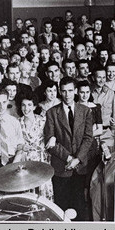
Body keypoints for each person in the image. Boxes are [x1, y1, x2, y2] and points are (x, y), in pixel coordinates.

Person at [44, 77, 93, 221]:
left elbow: (88, 138)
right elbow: (50, 141)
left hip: (80, 168)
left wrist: (77, 159)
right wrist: (69, 158)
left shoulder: (86, 111)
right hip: (61, 168)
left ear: (76, 91)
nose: (67, 94)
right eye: (64, 91)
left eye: (70, 91)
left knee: (79, 206)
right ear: (60, 91)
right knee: (61, 208)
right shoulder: (52, 113)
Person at [17, 91, 54, 201]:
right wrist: (21, 147)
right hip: (25, 161)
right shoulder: (17, 122)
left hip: (41, 161)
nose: (26, 108)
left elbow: (53, 134)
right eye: (23, 105)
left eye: (29, 105)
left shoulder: (43, 120)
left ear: (34, 106)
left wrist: (53, 138)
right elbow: (14, 144)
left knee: (43, 195)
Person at [91, 67, 115, 152]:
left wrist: (113, 132)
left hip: (107, 133)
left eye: (104, 77)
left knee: (108, 161)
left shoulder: (110, 93)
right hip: (92, 133)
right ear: (93, 78)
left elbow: (114, 113)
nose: (102, 80)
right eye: (99, 77)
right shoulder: (88, 92)